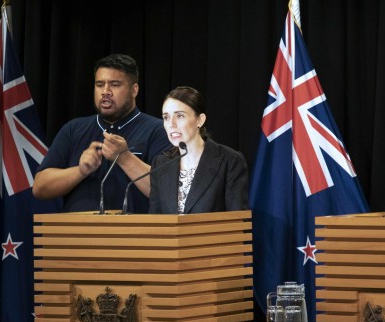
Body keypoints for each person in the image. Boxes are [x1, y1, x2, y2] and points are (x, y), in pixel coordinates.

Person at [33, 54, 171, 213]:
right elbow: (39, 187)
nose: (105, 91)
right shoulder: (73, 129)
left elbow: (167, 193)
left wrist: (125, 157)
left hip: (135, 235)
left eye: (115, 84)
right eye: (100, 84)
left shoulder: (159, 130)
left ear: (134, 90)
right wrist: (80, 171)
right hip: (77, 234)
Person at [148, 86, 249, 214]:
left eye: (179, 116)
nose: (171, 124)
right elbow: (155, 220)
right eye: (166, 117)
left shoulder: (229, 161)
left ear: (199, 120)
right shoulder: (160, 164)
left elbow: (237, 221)